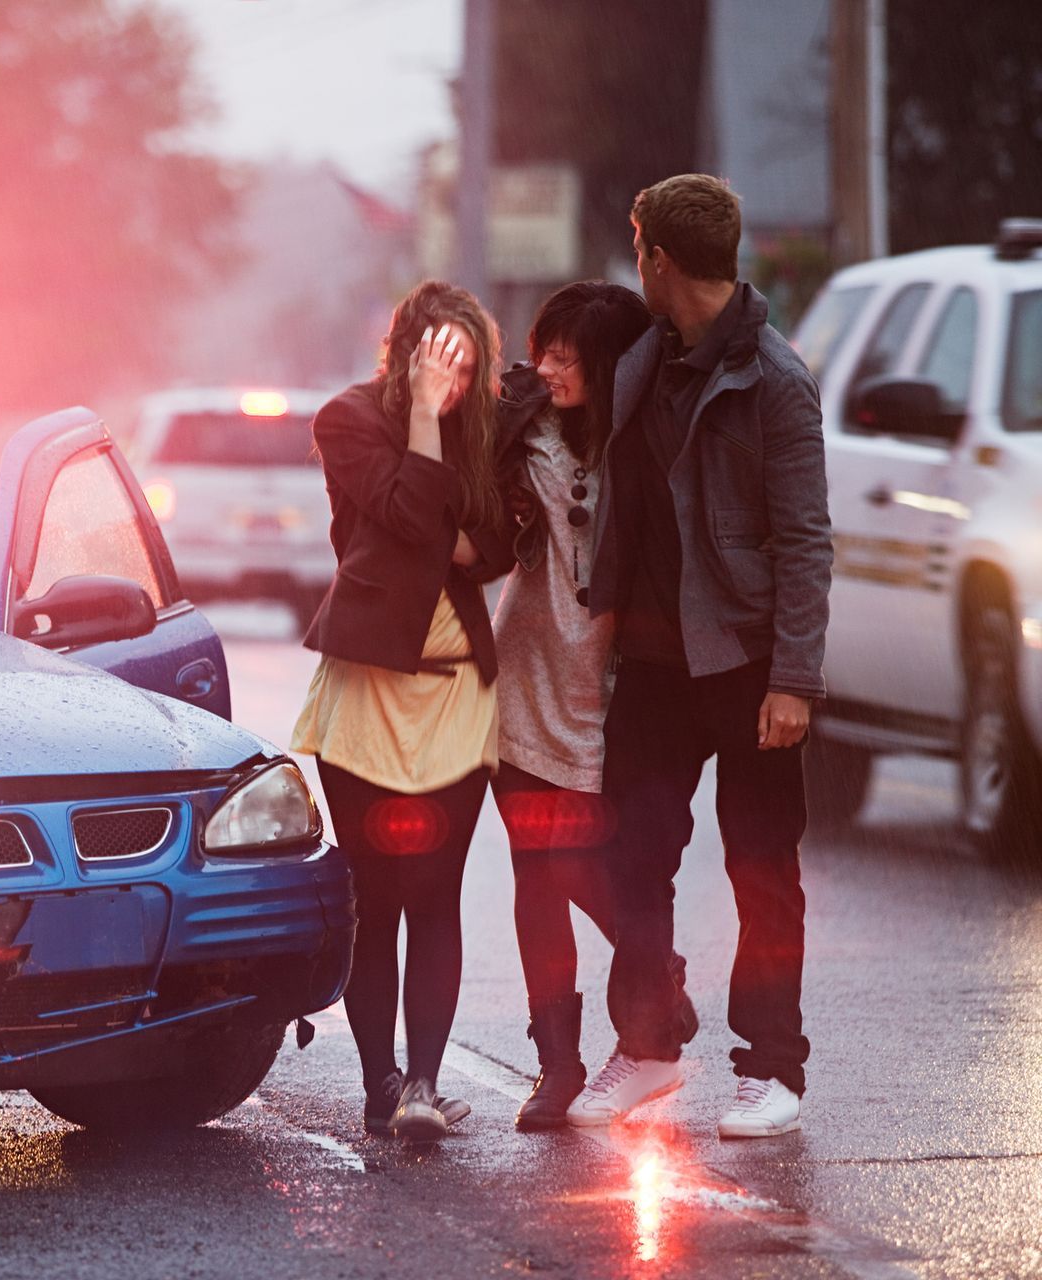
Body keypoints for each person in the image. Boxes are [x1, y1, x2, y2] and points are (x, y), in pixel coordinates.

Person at [566, 175, 832, 1138]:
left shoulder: (774, 381)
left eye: (637, 248)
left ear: (660, 258)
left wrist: (795, 679)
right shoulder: (645, 355)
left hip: (748, 664)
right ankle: (645, 1052)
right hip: (653, 662)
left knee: (763, 870)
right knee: (635, 855)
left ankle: (773, 1070)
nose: (634, 264)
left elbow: (805, 540)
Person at [292, 280, 512, 1142]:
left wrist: (442, 519)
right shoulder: (346, 420)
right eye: (438, 360)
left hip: (458, 693)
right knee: (372, 895)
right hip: (366, 689)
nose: (451, 382)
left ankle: (424, 1084)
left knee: (436, 893)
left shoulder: (485, 436)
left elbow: (496, 544)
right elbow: (420, 514)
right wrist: (424, 424)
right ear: (407, 353)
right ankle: (381, 1085)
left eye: (466, 365)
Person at [488, 281, 678, 1130]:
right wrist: (518, 393)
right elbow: (473, 451)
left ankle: (653, 973)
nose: (551, 364)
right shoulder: (524, 431)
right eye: (545, 348)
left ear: (610, 368)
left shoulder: (645, 443)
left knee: (589, 866)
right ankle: (557, 1063)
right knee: (536, 871)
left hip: (609, 688)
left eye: (569, 354)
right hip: (524, 679)